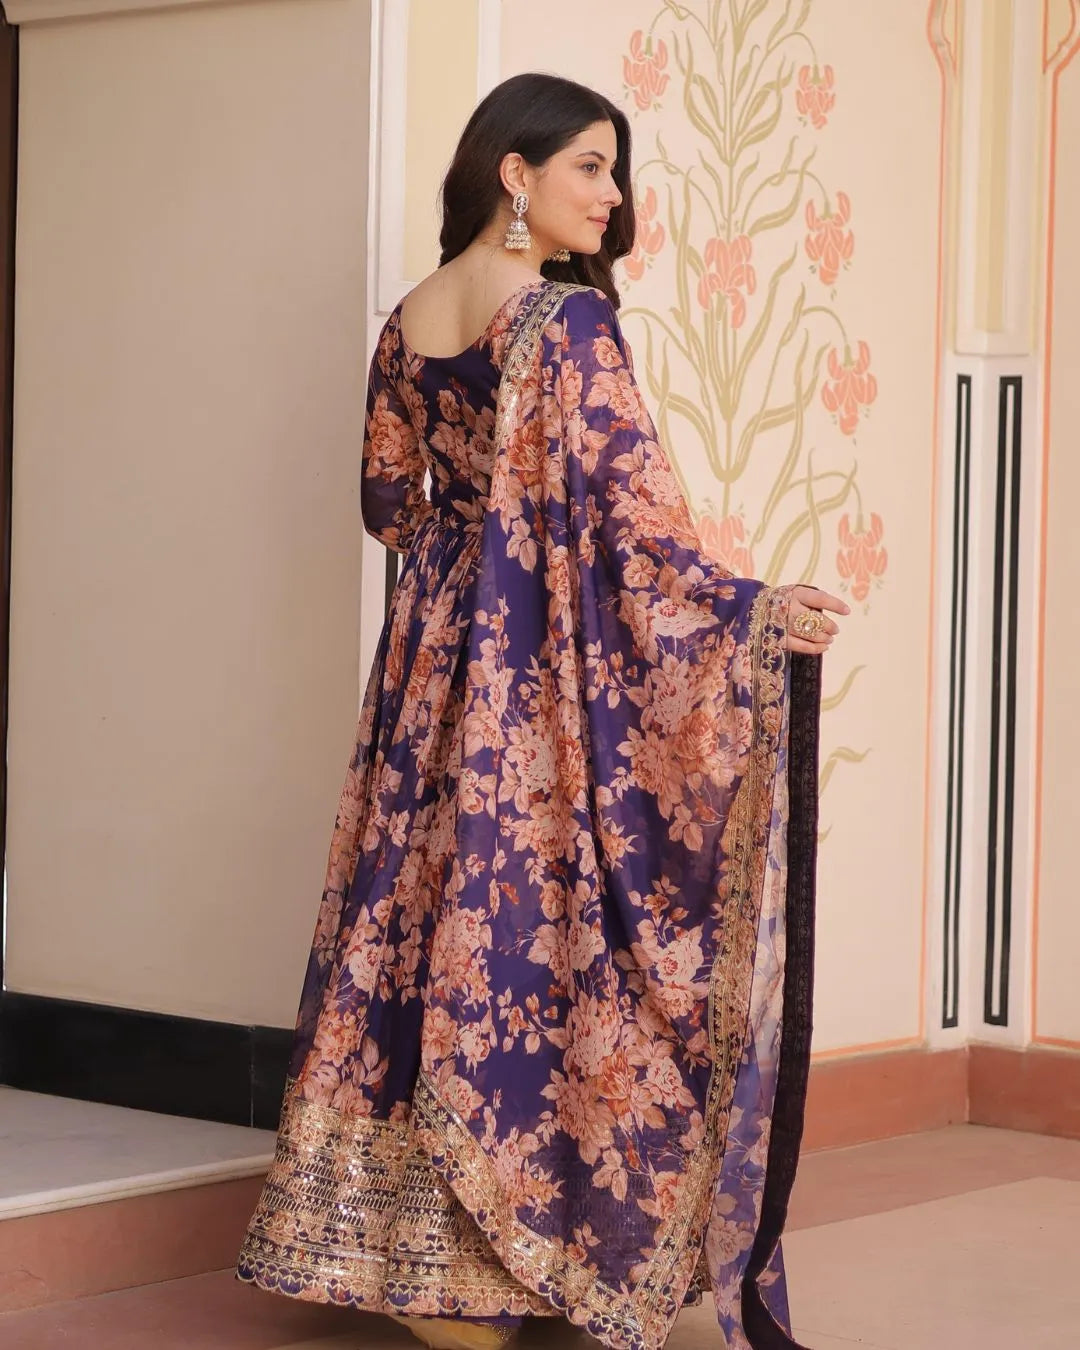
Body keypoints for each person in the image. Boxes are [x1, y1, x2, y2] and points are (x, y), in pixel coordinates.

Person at [237, 71, 847, 1350]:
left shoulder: (409, 322)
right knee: (543, 930)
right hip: (532, 687)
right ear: (515, 173)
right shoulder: (566, 326)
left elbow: (389, 507)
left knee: (416, 917)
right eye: (590, 167)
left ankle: (404, 1252)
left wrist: (474, 554)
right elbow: (637, 533)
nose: (614, 197)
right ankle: (528, 1247)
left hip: (430, 676)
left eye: (615, 171)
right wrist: (752, 614)